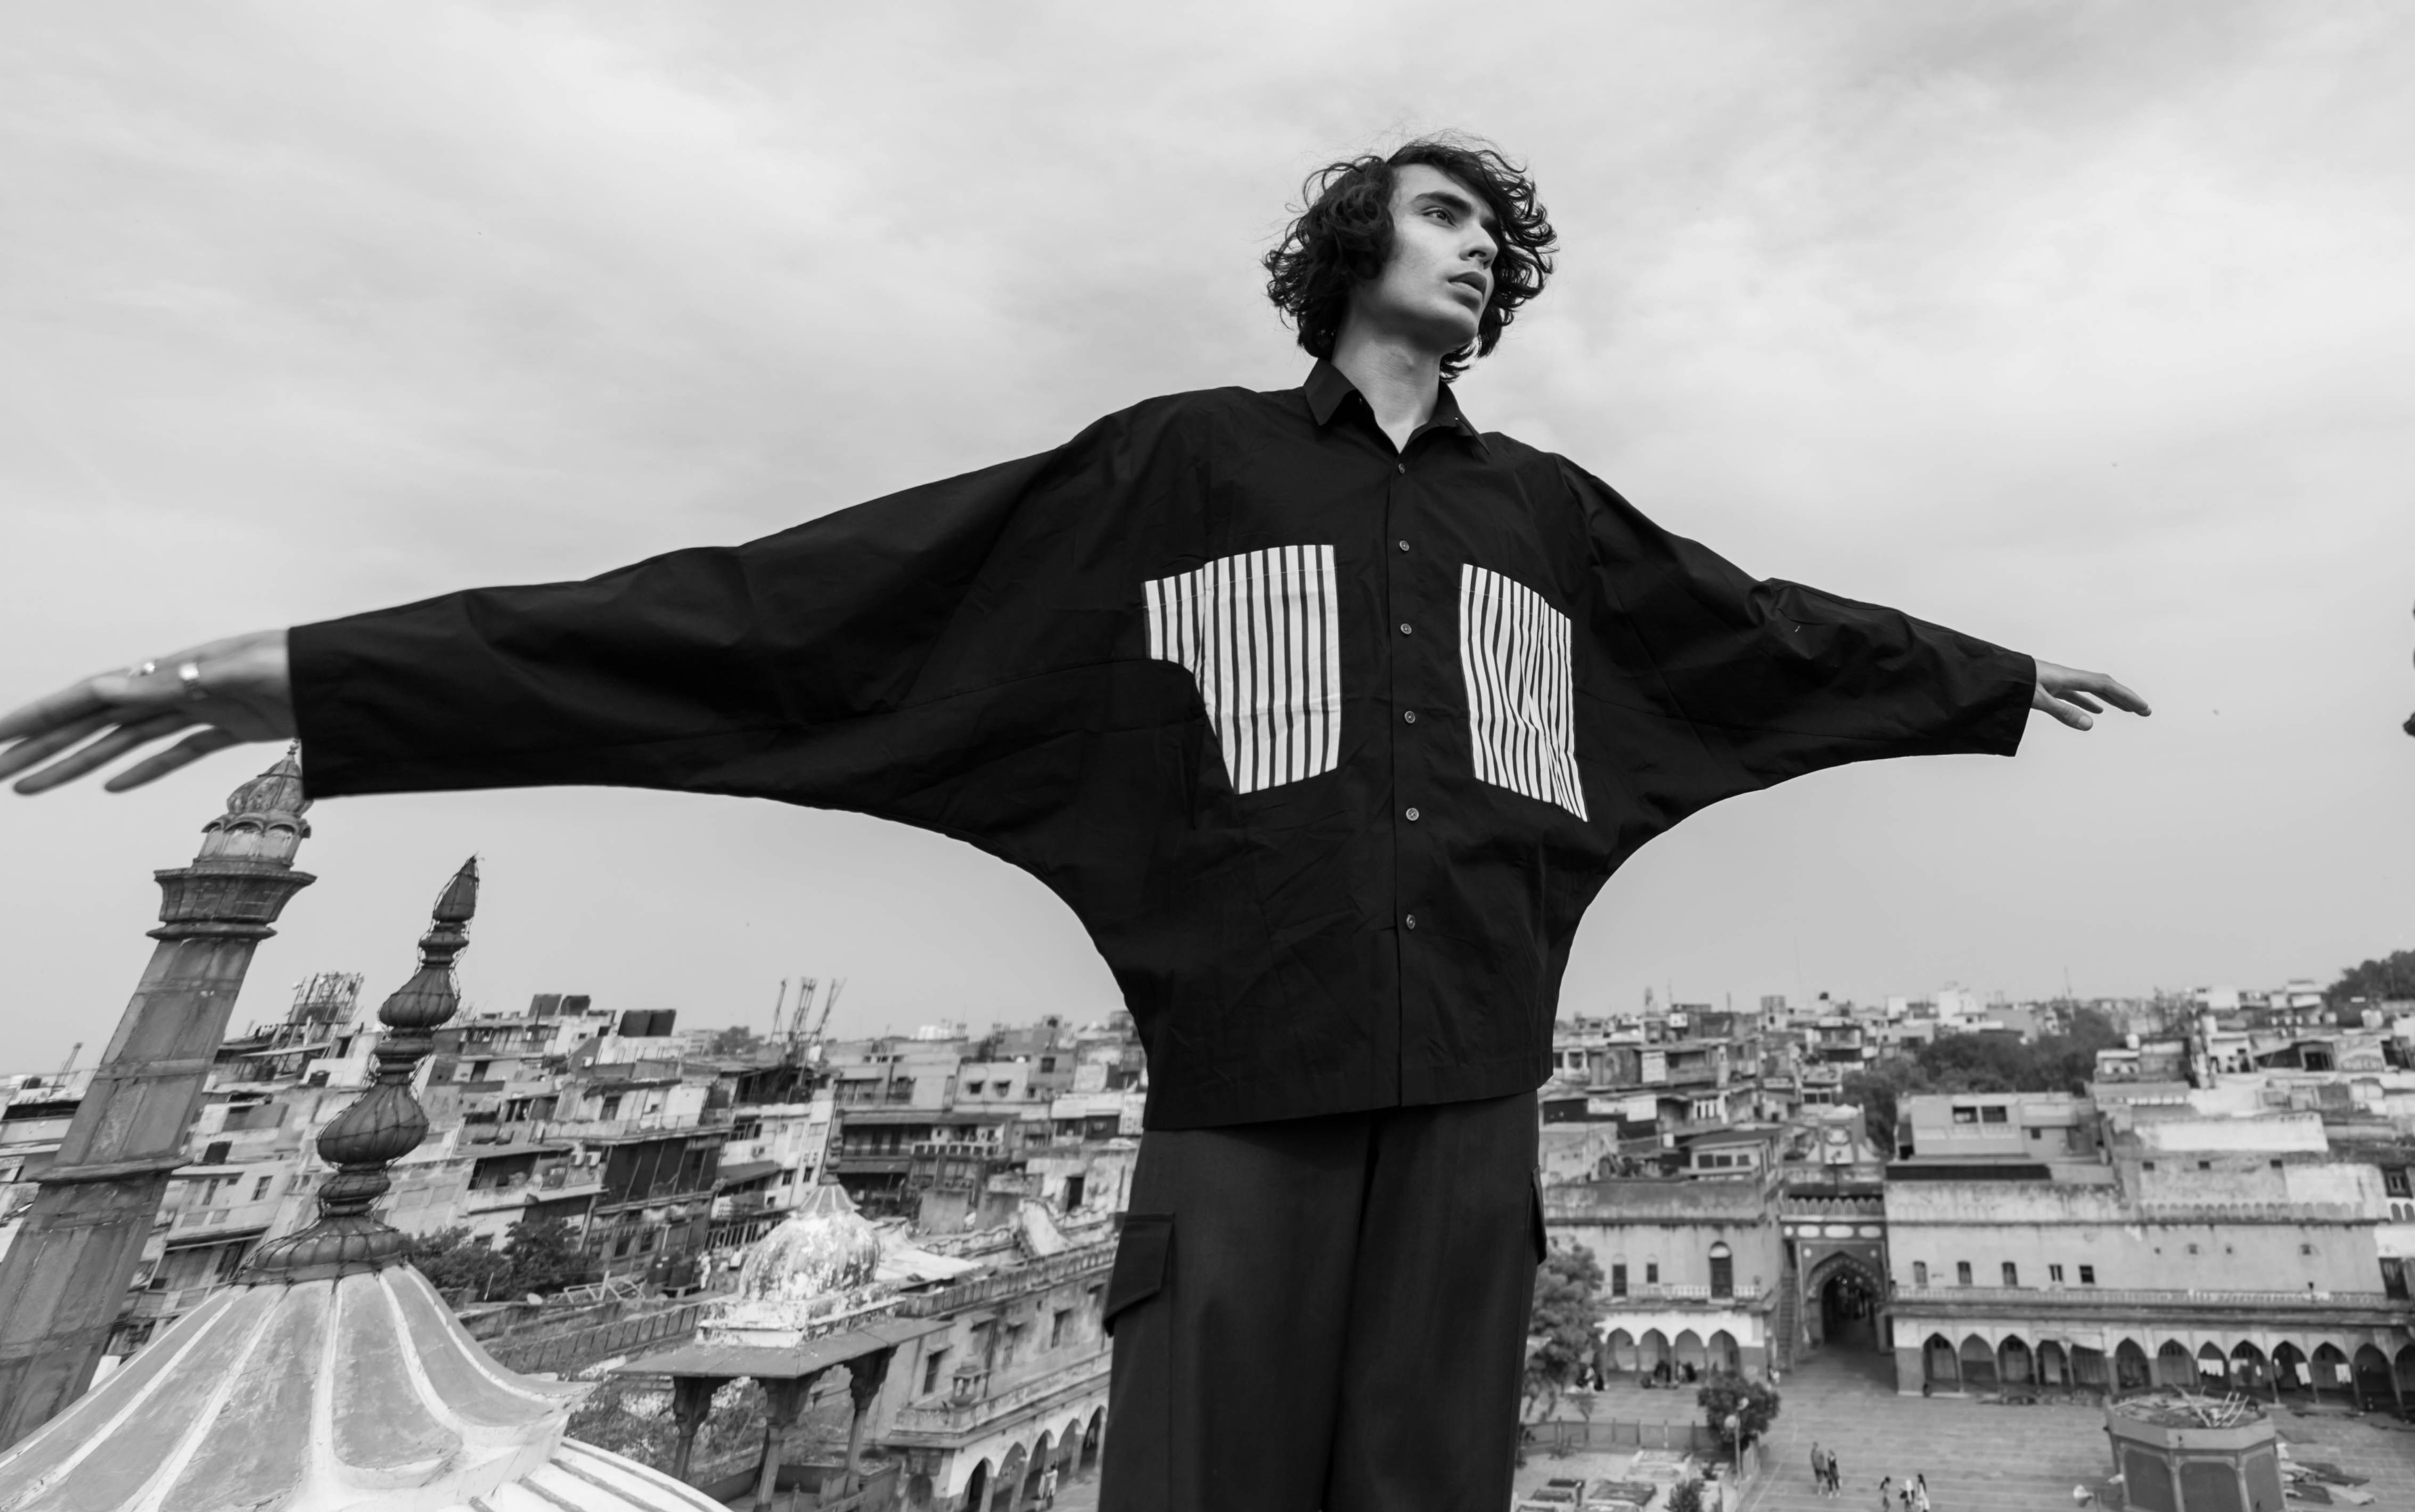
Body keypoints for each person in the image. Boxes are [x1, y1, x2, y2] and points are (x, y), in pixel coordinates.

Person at [0, 139, 2147, 1512]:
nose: (1482, 251)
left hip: (1479, 1107)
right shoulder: (1179, 473)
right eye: (1444, 213)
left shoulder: (1546, 518)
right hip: (1248, 1117)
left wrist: (1982, 674)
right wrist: (304, 671)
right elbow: (786, 617)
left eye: (1504, 233)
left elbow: (1761, 637)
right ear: (1340, 253)